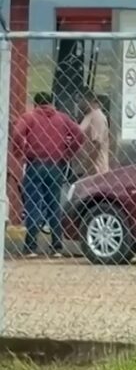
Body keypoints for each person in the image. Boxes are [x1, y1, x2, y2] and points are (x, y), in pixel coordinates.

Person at [12, 92, 85, 258]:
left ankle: (31, 247)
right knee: (54, 204)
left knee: (33, 204)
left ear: (35, 103)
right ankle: (57, 246)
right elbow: (79, 135)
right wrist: (68, 152)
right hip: (56, 165)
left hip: (35, 163)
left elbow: (17, 134)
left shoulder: (29, 117)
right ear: (52, 102)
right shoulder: (62, 118)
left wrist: (19, 151)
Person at [75, 89, 110, 177]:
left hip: (95, 170)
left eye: (79, 101)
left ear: (87, 100)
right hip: (84, 169)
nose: (78, 105)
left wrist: (91, 167)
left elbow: (97, 143)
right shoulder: (88, 116)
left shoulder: (97, 117)